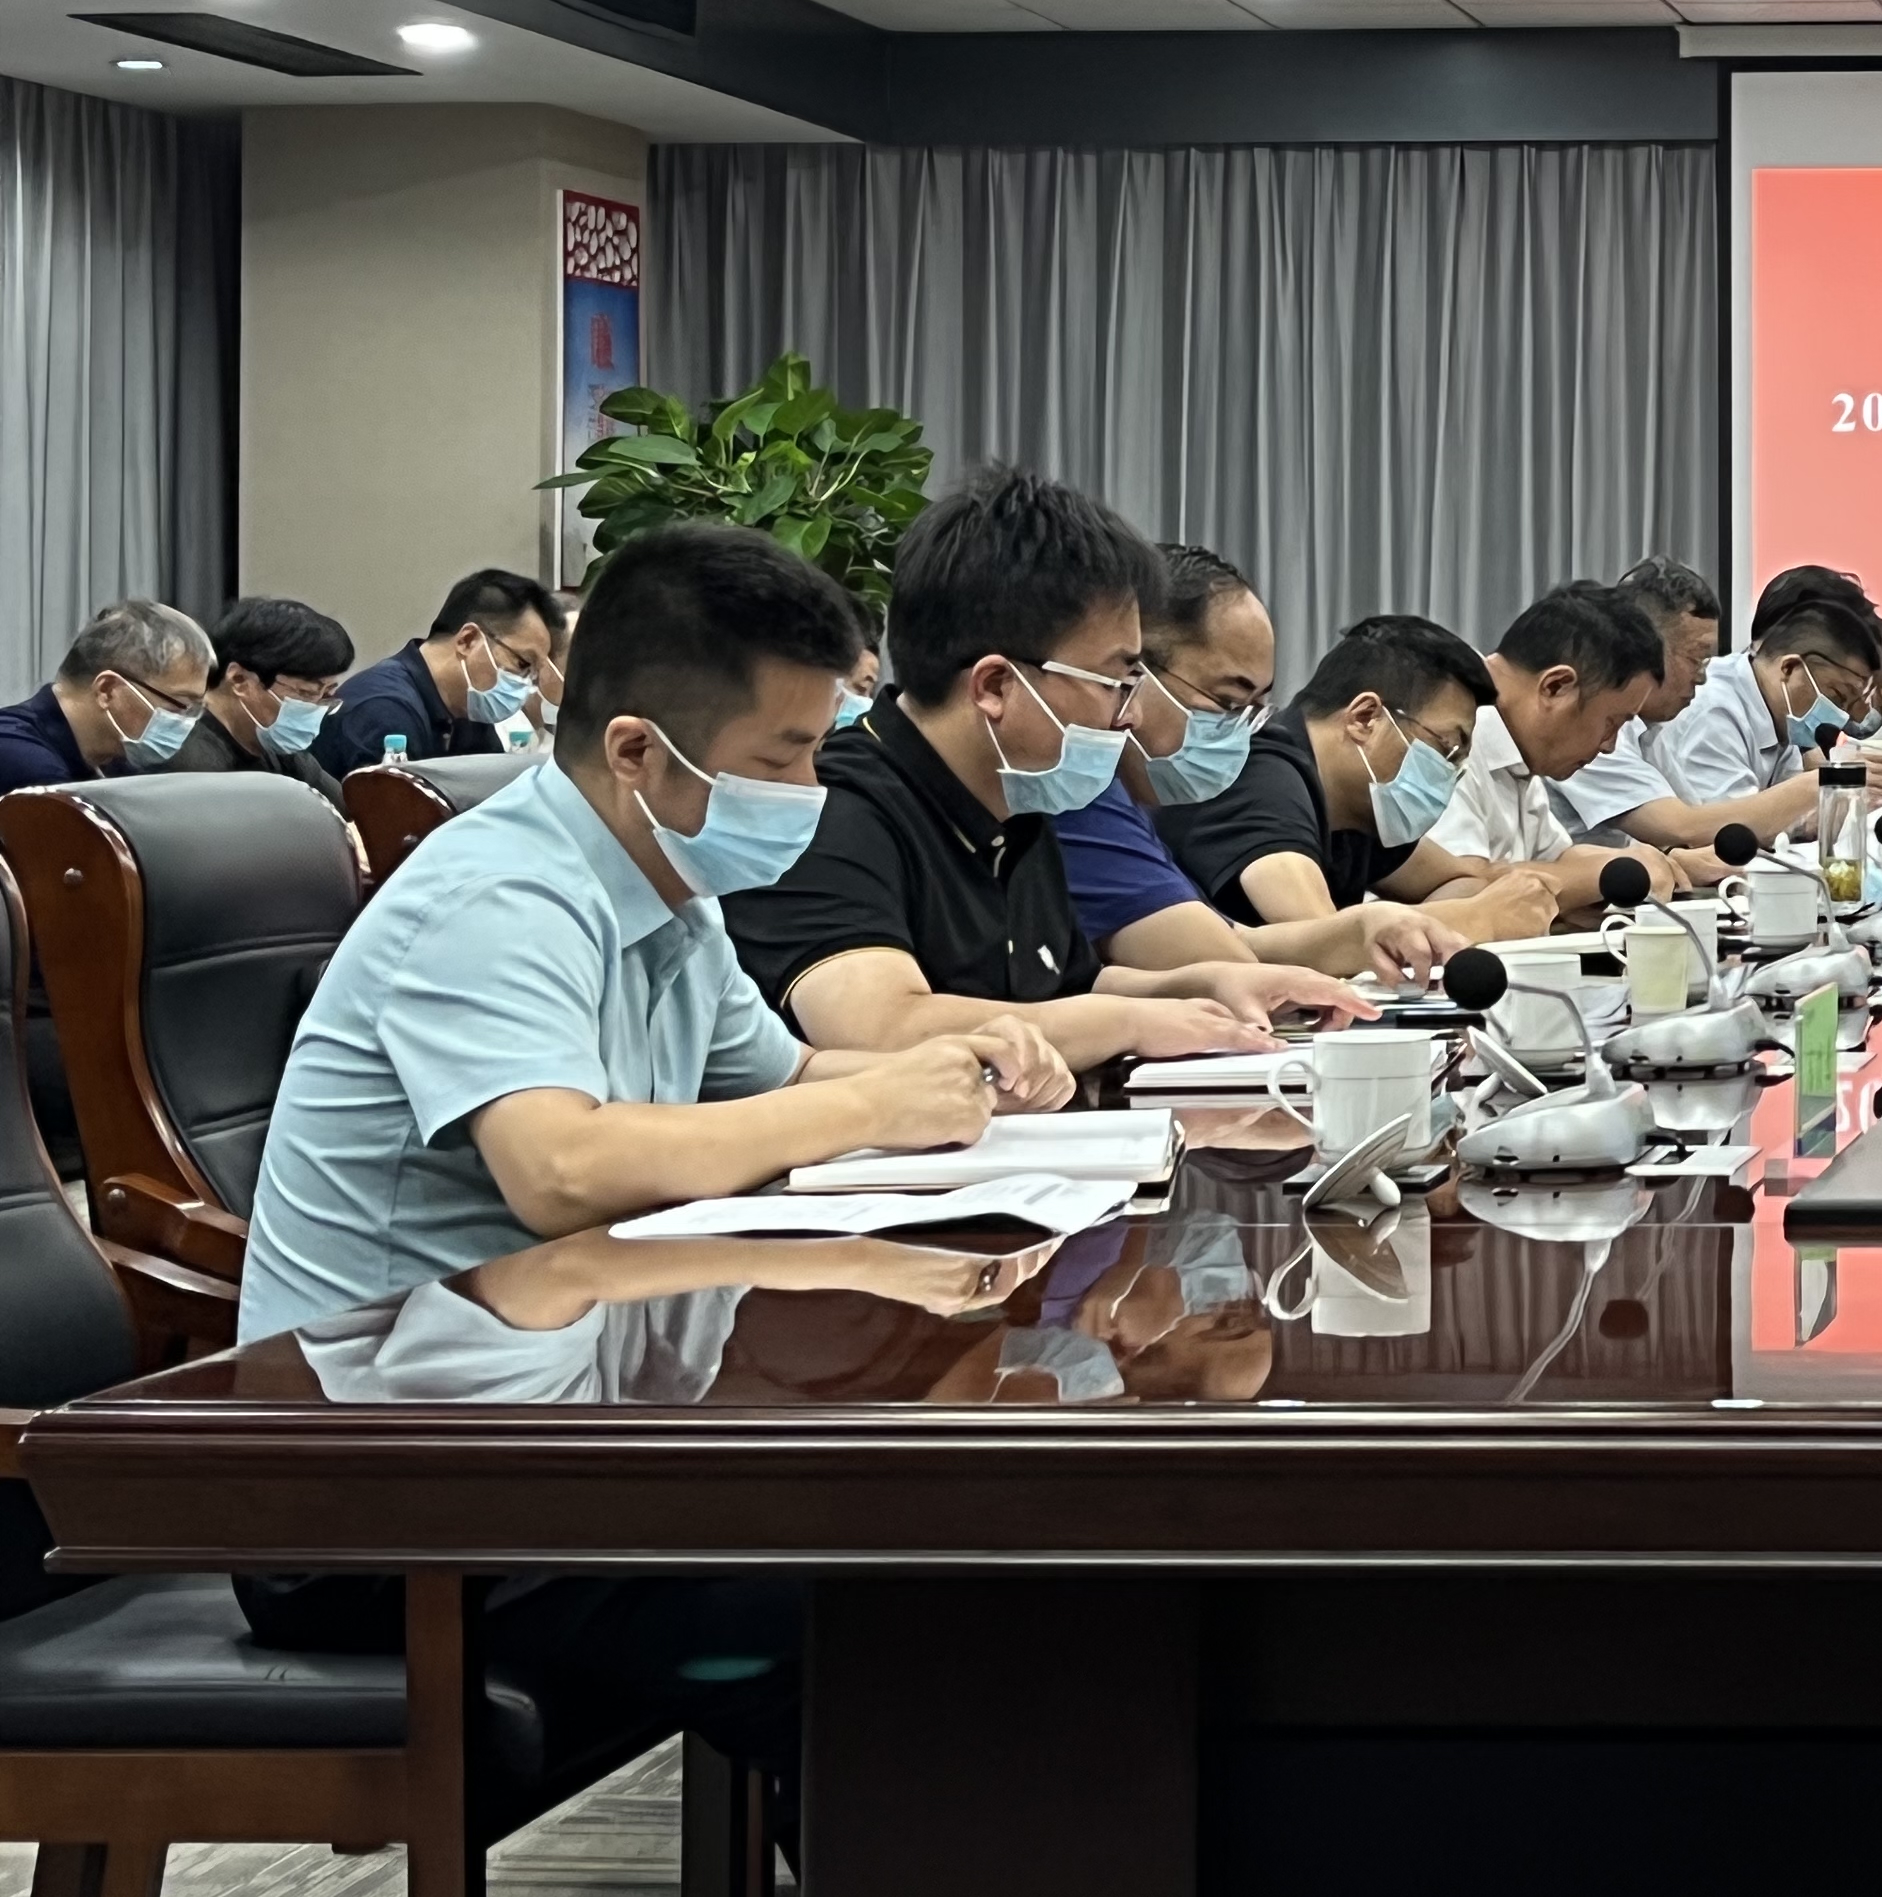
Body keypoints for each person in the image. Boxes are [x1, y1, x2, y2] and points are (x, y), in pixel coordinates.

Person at [240, 519, 1070, 1345]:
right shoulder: (497, 892)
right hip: (387, 1382)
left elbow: (785, 1076)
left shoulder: (672, 883)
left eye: (817, 751)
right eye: (780, 761)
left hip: (573, 1332)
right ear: (635, 750)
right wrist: (871, 1106)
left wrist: (957, 1071)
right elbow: (559, 1171)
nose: (811, 788)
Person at [726, 467, 1274, 1076]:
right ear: (993, 685)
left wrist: (1205, 986)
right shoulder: (835, 811)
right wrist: (1129, 1023)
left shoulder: (1016, 810)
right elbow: (882, 1027)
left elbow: (1066, 990)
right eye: (1115, 682)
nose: (1132, 715)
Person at [1050, 543, 1458, 994]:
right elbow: (1225, 960)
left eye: (1251, 711)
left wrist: (1365, 927)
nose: (1238, 738)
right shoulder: (1074, 791)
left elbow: (1233, 939)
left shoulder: (1129, 801)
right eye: (1226, 703)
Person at [1160, 614, 1562, 950]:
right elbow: (1323, 943)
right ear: (1365, 718)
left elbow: (1464, 879)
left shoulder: (1358, 806)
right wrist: (1478, 919)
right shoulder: (1263, 779)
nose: (1452, 771)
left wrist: (1420, 927)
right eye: (1446, 748)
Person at [1419, 585, 1681, 910]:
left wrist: (1660, 865)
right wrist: (1609, 875)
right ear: (1556, 687)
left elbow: (1557, 859)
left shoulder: (1518, 742)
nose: (1610, 745)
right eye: (1612, 722)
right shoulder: (1446, 731)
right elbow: (1460, 891)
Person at [1655, 591, 1882, 814]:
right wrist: (1838, 791)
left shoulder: (1781, 711)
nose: (1842, 716)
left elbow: (1791, 815)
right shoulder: (1714, 713)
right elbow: (1732, 826)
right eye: (1837, 695)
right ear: (1789, 668)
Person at [322, 569, 566, 772]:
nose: (528, 684)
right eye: (523, 664)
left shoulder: (467, 710)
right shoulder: (382, 709)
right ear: (468, 640)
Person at [1555, 557, 1725, 843]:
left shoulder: (1647, 727)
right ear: (1646, 647)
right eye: (1696, 659)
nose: (1702, 678)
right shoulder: (1585, 721)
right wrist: (1807, 788)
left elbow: (1692, 827)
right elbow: (1682, 828)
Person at [0, 599, 212, 791]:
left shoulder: (116, 763)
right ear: (107, 690)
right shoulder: (26, 764)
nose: (186, 722)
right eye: (180, 703)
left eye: (195, 708)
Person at [170, 594, 354, 799]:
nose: (316, 708)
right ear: (239, 679)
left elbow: (351, 808)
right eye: (306, 693)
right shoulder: (189, 764)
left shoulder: (273, 742)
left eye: (327, 694)